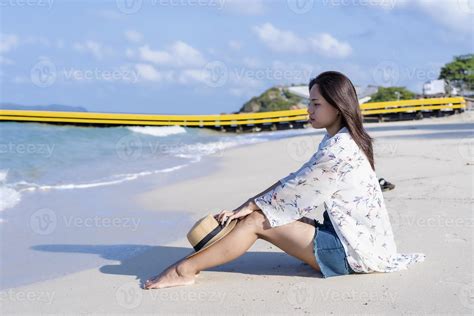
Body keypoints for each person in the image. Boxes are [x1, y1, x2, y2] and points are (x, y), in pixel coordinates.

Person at [144, 71, 425, 289]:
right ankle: (192, 265)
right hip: (358, 243)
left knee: (256, 221)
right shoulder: (343, 140)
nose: (309, 110)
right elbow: (295, 180)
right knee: (259, 213)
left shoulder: (339, 149)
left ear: (337, 107)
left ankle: (184, 271)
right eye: (309, 103)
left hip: (351, 254)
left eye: (316, 104)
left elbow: (292, 191)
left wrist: (251, 209)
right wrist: (250, 204)